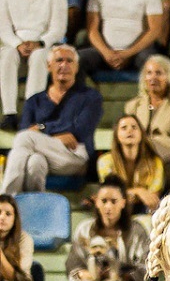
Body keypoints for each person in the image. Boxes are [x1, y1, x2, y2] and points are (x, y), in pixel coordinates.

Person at [3, 45, 102, 193]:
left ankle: (6, 199)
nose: (64, 65)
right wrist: (54, 134)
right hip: (43, 153)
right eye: (59, 60)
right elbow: (25, 129)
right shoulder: (34, 100)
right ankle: (32, 205)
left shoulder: (90, 97)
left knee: (26, 139)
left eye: (69, 61)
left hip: (75, 155)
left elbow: (81, 130)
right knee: (35, 162)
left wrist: (41, 128)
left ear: (76, 67)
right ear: (49, 66)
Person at [0, 0, 68, 128]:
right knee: (6, 54)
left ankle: (32, 114)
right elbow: (3, 27)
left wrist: (40, 43)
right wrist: (17, 44)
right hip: (15, 44)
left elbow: (58, 28)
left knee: (39, 56)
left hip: (44, 44)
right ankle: (9, 114)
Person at [65, 179, 151, 281]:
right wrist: (83, 273)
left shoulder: (137, 230)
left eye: (113, 201)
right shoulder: (84, 229)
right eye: (104, 201)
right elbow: (73, 263)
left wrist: (120, 275)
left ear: (123, 203)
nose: (108, 207)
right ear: (96, 202)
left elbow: (146, 267)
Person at [78, 0, 167, 84]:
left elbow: (154, 30)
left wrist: (127, 53)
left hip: (137, 52)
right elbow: (92, 30)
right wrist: (107, 53)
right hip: (104, 52)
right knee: (75, 59)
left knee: (154, 63)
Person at [125, 56, 170, 174]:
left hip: (169, 163)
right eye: (149, 73)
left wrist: (153, 142)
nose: (153, 77)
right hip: (137, 158)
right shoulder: (133, 105)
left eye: (158, 73)